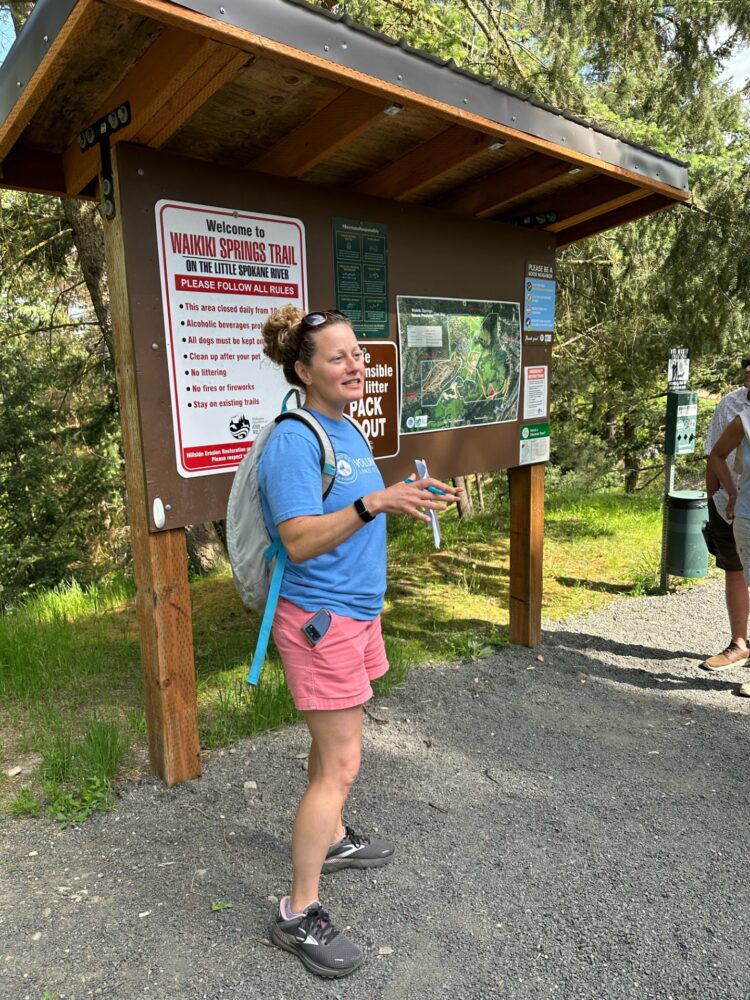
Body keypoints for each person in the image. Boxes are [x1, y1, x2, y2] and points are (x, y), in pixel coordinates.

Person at [258, 306, 461, 978]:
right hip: (319, 623)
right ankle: (297, 913)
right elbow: (298, 537)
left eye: (359, 356)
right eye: (339, 357)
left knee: (330, 753)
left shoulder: (344, 430)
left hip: (354, 614)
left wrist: (406, 494)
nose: (356, 366)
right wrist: (374, 504)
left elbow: (356, 510)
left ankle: (335, 840)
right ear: (303, 369)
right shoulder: (296, 439)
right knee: (343, 765)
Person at [701, 357, 750, 671]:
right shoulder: (731, 407)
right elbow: (713, 455)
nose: (748, 373)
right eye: (746, 368)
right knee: (735, 571)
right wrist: (718, 498)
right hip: (729, 505)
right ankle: (739, 644)